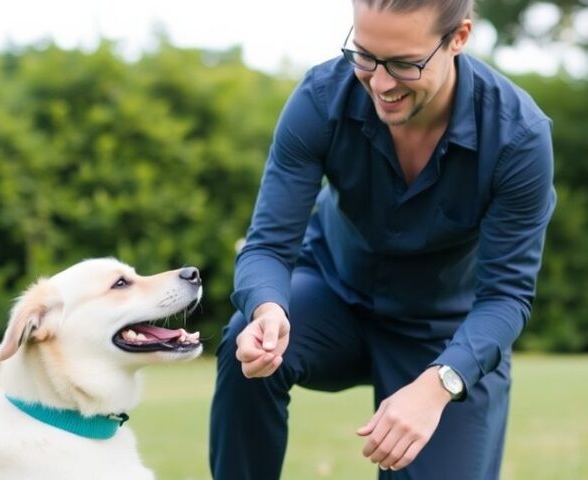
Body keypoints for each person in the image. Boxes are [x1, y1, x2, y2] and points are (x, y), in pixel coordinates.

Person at [209, 0, 556, 478]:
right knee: (241, 341)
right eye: (365, 55)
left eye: (404, 63)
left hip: (447, 338)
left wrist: (439, 384)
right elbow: (268, 245)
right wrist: (268, 309)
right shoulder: (319, 99)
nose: (380, 82)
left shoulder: (519, 137)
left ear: (458, 39)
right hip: (332, 297)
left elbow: (506, 297)